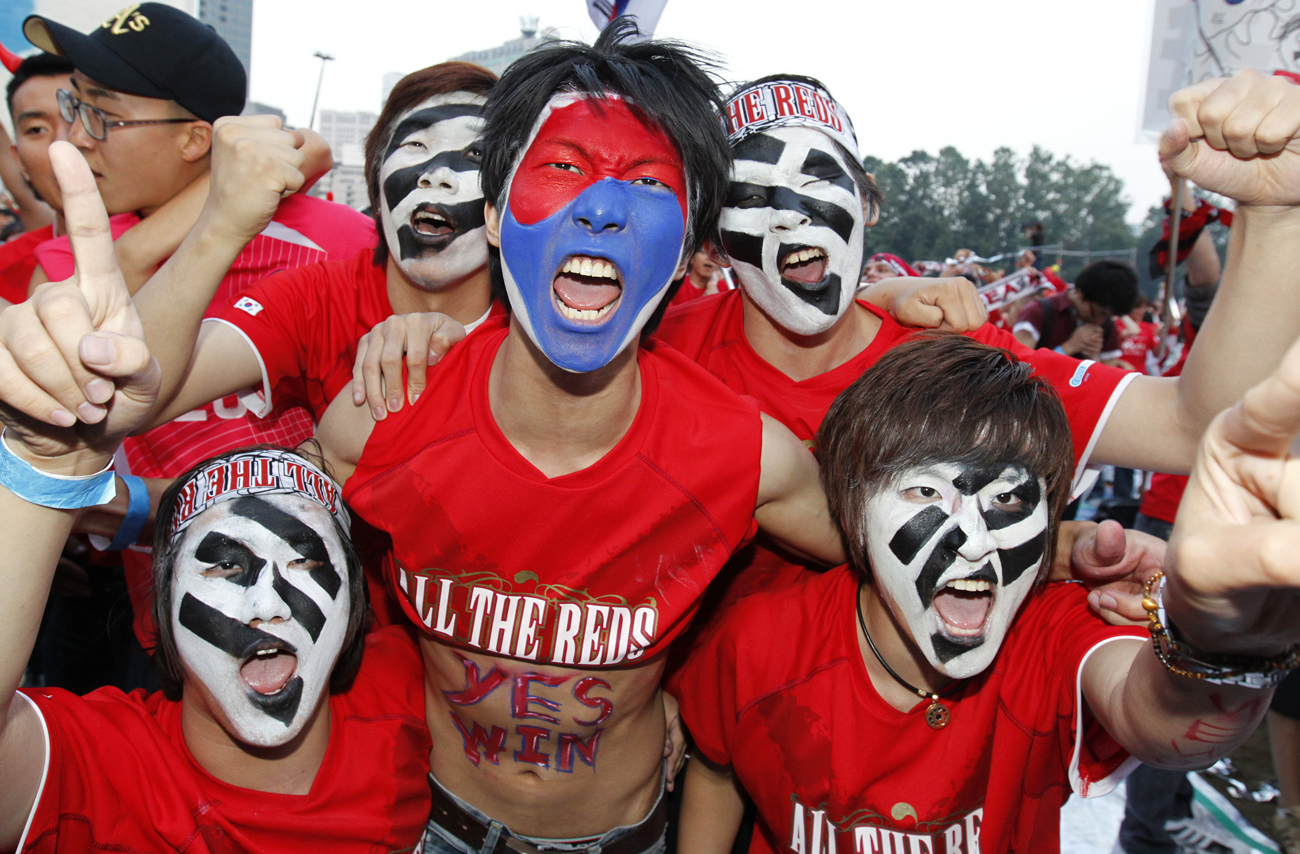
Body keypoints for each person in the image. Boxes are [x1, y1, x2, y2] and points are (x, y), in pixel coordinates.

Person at [675, 330, 1300, 853]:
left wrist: (1231, 638)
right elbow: (718, 768)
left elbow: (1161, 721)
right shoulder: (759, 641)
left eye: (1007, 498)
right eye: (924, 493)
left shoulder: (1049, 630)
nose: (973, 541)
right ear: (850, 507)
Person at [0, 141, 431, 852]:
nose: (265, 604)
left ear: (357, 608)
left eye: (303, 562)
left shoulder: (403, 694)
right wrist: (51, 463)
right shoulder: (98, 765)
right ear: (159, 626)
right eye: (225, 566)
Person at [17, 2, 372, 653]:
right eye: (75, 106)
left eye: (103, 114)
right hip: (160, 632)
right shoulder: (81, 260)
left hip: (317, 627)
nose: (75, 139)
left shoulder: (340, 245)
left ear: (195, 139)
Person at [1012, 259, 1137, 364]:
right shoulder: (1039, 312)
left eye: (1109, 317)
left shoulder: (1107, 322)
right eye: (1100, 314)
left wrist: (1093, 357)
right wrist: (1069, 347)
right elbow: (1017, 366)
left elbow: (1110, 373)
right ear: (1081, 294)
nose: (1101, 321)